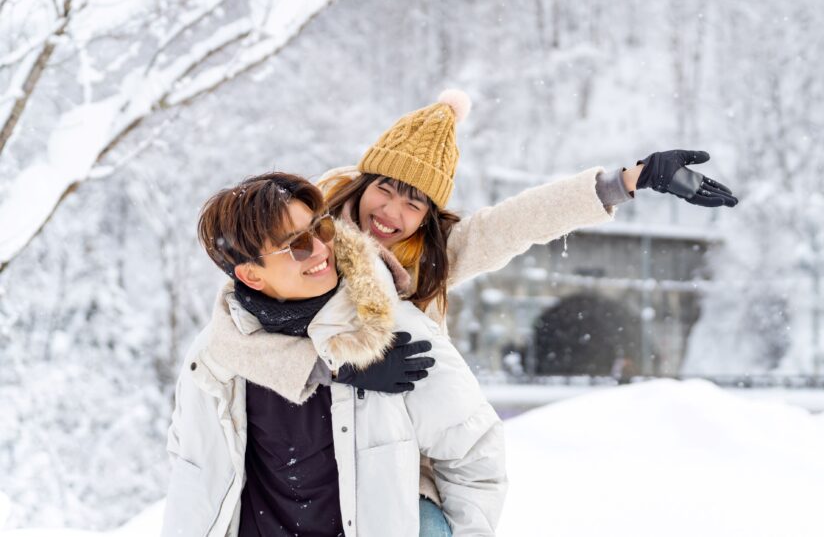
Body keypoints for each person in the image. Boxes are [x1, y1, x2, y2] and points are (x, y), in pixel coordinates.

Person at [224, 89, 738, 536]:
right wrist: (339, 367)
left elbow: (515, 223)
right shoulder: (301, 244)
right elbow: (227, 342)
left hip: (391, 463)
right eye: (385, 188)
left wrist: (629, 180)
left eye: (414, 203)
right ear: (364, 182)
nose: (391, 214)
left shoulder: (429, 263)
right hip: (294, 459)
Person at [161, 172, 506, 537]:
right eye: (296, 245)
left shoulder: (392, 334)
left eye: (321, 228)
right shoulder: (213, 361)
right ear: (252, 276)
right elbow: (192, 469)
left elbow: (474, 452)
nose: (322, 249)